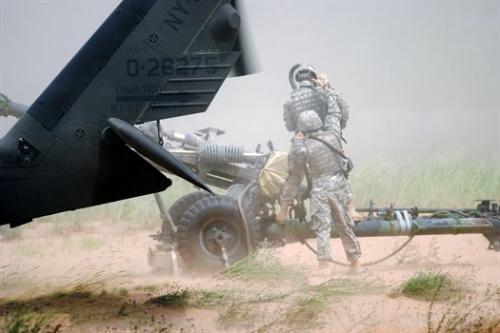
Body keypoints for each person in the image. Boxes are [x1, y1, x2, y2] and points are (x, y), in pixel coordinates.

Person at [277, 111, 362, 272]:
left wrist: (283, 209)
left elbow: (294, 179)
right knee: (344, 226)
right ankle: (356, 264)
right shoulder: (334, 135)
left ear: (301, 129)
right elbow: (335, 114)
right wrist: (327, 89)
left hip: (321, 190)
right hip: (340, 187)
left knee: (322, 228)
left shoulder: (303, 149)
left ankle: (324, 267)